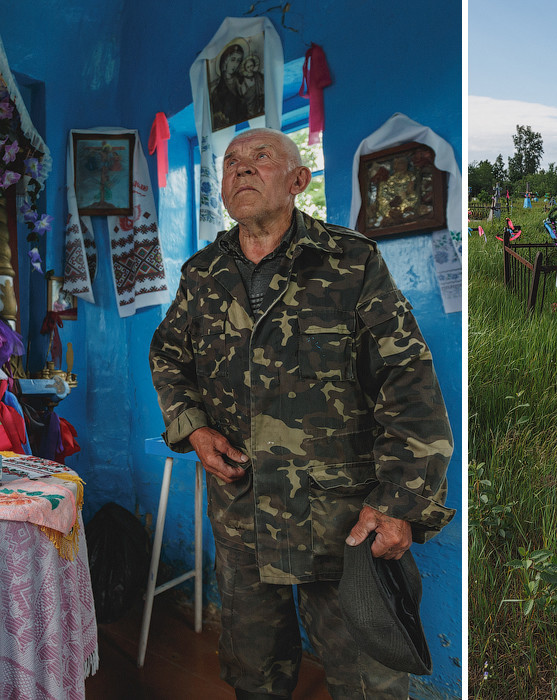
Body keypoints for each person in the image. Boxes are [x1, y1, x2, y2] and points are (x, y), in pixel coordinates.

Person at [149, 127, 454, 700]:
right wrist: (192, 427)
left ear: (298, 180)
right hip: (242, 513)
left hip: (339, 518)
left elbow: (408, 381)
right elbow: (167, 354)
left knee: (367, 682)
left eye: (260, 157)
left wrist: (400, 503)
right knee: (252, 672)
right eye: (231, 162)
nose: (240, 168)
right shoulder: (202, 274)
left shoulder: (351, 261)